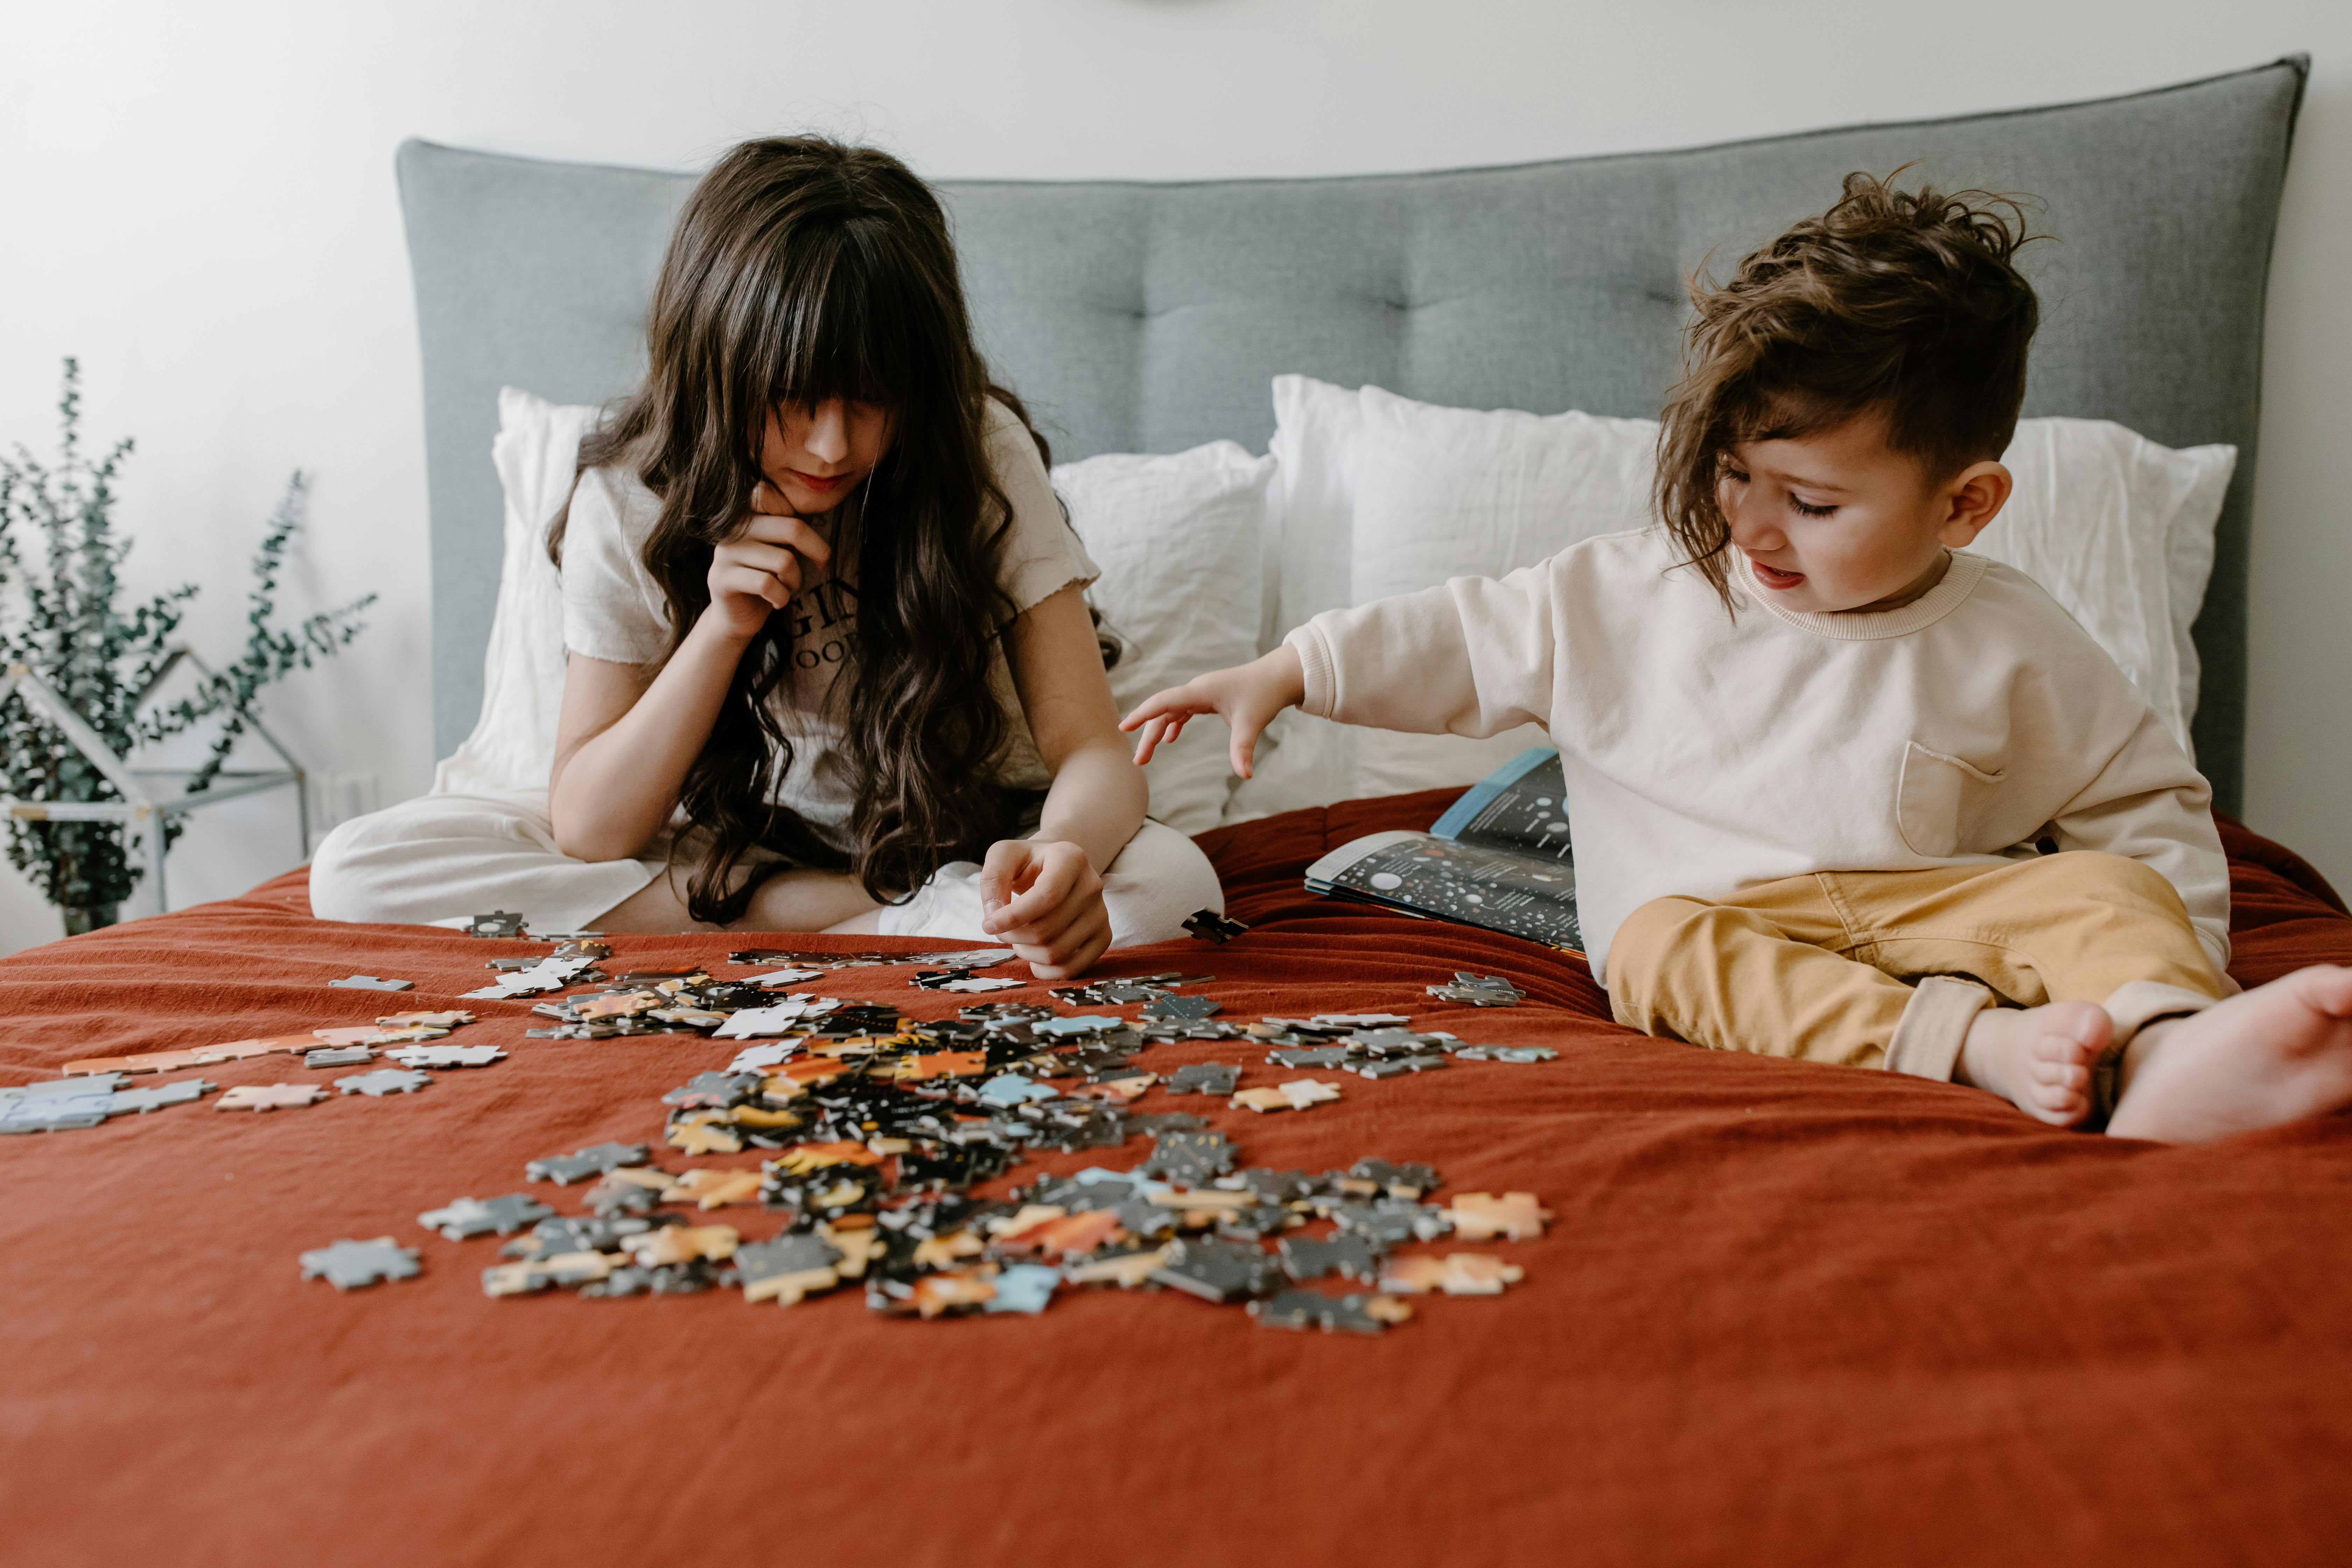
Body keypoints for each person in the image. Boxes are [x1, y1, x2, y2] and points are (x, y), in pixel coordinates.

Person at [1120, 172, 2352, 1143]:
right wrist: (1290, 668)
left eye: (1813, 504)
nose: (1752, 528)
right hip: (1713, 918)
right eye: (1730, 476)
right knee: (1651, 951)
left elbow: (2142, 804)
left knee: (2111, 895)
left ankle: (2171, 1048)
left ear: (1965, 506)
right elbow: (1461, 634)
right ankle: (1969, 1050)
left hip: (1928, 906)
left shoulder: (2016, 640)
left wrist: (2172, 955)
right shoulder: (1635, 586)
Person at [312, 136, 1221, 978]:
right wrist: (723, 629)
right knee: (356, 871)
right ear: (714, 361)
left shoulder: (974, 453)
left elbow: (1094, 750)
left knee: (1175, 897)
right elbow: (590, 828)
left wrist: (1060, 855)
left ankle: (895, 912)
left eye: (871, 401)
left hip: (974, 841)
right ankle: (878, 916)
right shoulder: (632, 492)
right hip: (730, 852)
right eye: (794, 396)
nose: (831, 447)